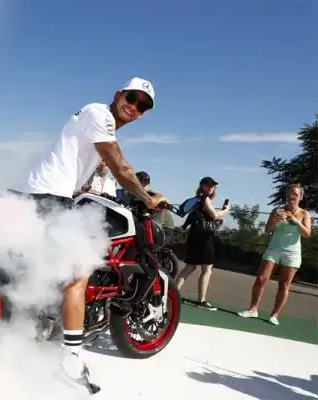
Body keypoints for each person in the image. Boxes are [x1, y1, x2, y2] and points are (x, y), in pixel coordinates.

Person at [15, 77, 166, 394]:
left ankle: (34, 326)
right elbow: (120, 167)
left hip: (50, 195)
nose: (135, 106)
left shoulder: (97, 124)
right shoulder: (100, 114)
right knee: (77, 275)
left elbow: (99, 167)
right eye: (132, 98)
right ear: (118, 94)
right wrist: (148, 198)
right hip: (50, 197)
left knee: (48, 269)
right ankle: (70, 361)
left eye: (143, 106)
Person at [237, 184, 312, 325]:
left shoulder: (304, 214)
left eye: (295, 194)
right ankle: (253, 309)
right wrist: (274, 221)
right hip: (274, 249)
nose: (291, 196)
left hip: (292, 253)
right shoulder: (277, 211)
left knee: (284, 284)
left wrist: (296, 222)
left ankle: (274, 315)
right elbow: (267, 230)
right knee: (261, 279)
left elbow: (307, 233)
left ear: (301, 197)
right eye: (289, 193)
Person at [174, 177, 229, 311]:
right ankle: (201, 300)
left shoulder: (196, 200)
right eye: (208, 185)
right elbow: (214, 215)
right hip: (204, 238)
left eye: (213, 186)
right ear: (202, 186)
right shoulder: (205, 199)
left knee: (190, 267)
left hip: (194, 236)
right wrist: (226, 210)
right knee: (207, 269)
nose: (211, 188)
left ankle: (172, 293)